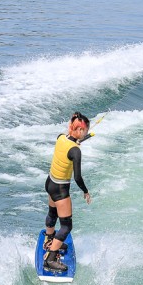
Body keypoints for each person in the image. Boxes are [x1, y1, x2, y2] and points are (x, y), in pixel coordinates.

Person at [42, 112, 92, 272]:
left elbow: (69, 143)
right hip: (60, 190)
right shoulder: (76, 151)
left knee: (52, 212)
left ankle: (49, 239)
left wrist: (77, 140)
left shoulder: (61, 138)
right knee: (66, 226)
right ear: (80, 131)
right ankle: (50, 259)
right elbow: (77, 177)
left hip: (50, 183)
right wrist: (85, 191)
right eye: (85, 131)